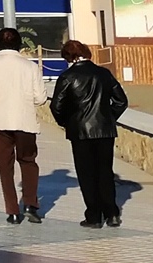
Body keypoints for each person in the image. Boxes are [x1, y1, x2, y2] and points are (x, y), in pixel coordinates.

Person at [0, 27, 48, 225]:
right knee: (28, 162)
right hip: (25, 121)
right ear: (19, 44)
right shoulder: (30, 67)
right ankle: (31, 205)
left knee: (5, 167)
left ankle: (13, 211)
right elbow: (40, 98)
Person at [50, 40, 129, 228]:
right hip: (105, 131)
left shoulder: (68, 77)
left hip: (80, 132)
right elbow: (121, 101)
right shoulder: (104, 74)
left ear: (68, 57)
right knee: (105, 172)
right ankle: (112, 213)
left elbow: (56, 106)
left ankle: (94, 216)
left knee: (86, 174)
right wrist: (108, 118)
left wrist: (68, 122)